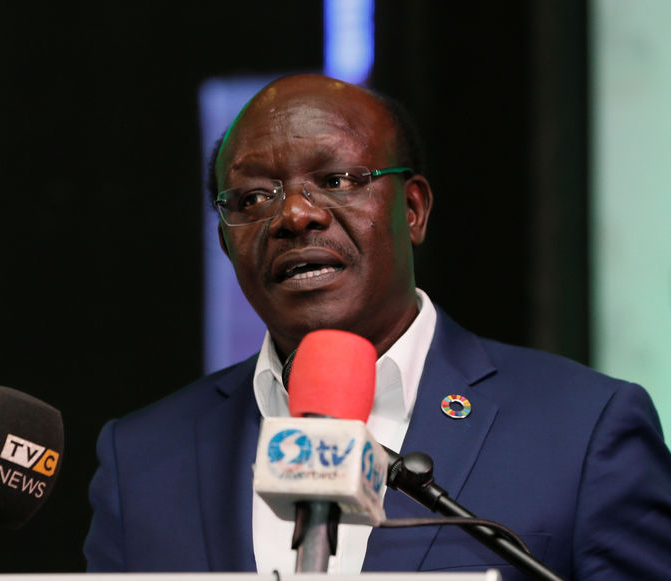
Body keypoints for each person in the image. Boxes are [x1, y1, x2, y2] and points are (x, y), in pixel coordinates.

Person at [83, 73, 671, 579]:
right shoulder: (141, 460)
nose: (294, 214)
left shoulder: (583, 430)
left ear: (412, 210)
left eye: (337, 180)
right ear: (225, 241)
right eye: (254, 196)